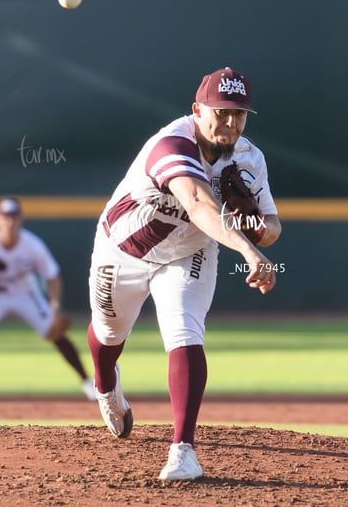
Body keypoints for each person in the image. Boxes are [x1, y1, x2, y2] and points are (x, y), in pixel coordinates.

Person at [87, 66, 282, 480]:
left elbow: (272, 228)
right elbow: (196, 203)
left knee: (184, 332)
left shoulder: (250, 158)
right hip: (124, 249)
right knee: (108, 334)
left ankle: (183, 450)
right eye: (221, 111)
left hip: (188, 253)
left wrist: (253, 224)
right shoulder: (172, 142)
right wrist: (247, 249)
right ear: (197, 109)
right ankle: (106, 385)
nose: (230, 122)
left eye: (240, 114)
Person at [0, 197, 96, 402]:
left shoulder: (32, 245)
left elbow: (52, 276)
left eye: (13, 217)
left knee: (56, 332)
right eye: (5, 217)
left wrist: (55, 303)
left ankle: (87, 383)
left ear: (20, 219)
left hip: (24, 292)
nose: (9, 222)